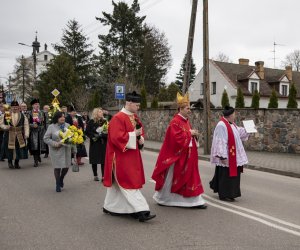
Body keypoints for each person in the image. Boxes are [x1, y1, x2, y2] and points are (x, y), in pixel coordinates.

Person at [103, 91, 156, 222]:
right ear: (129, 103)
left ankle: (110, 207)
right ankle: (142, 210)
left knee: (119, 187)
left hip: (132, 155)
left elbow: (139, 131)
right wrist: (133, 135)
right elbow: (116, 138)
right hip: (121, 157)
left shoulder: (134, 117)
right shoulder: (118, 118)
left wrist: (140, 138)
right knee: (128, 184)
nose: (138, 107)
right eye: (137, 105)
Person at [151, 92, 207, 209]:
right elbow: (176, 139)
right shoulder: (175, 121)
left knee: (191, 177)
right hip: (178, 156)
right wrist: (189, 133)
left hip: (188, 155)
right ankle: (168, 199)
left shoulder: (186, 121)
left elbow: (186, 135)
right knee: (176, 178)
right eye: (187, 108)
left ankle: (194, 200)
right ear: (180, 109)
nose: (190, 110)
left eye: (189, 108)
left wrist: (193, 134)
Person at [209, 106, 249, 201]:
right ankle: (224, 194)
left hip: (233, 156)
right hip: (227, 156)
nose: (235, 115)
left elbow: (240, 132)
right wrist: (222, 156)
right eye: (234, 113)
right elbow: (220, 140)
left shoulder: (232, 124)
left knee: (233, 176)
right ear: (230, 115)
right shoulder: (221, 125)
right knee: (225, 176)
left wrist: (249, 129)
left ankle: (232, 193)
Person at [44, 111, 76, 192]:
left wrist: (74, 151)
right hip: (56, 150)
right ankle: (57, 184)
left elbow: (73, 138)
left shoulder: (68, 125)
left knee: (66, 167)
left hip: (66, 150)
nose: (63, 118)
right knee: (57, 167)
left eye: (63, 117)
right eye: (61, 117)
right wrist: (55, 144)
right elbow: (46, 138)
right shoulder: (51, 127)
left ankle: (61, 178)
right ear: (56, 118)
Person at [0, 100, 29, 169]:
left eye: (16, 107)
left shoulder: (22, 115)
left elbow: (26, 125)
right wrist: (5, 127)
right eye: (13, 107)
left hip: (19, 134)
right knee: (9, 149)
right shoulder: (6, 114)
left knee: (18, 149)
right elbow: (1, 124)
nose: (15, 108)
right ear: (11, 107)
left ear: (18, 107)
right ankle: (10, 162)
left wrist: (27, 134)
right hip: (9, 134)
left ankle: (16, 163)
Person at [85, 108, 108, 181]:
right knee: (94, 160)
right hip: (94, 143)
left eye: (102, 112)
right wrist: (94, 136)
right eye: (100, 112)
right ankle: (95, 175)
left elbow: (108, 131)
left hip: (103, 143)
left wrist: (102, 135)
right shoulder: (91, 122)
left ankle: (103, 176)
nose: (102, 113)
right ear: (96, 113)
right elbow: (87, 132)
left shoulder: (105, 121)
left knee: (103, 160)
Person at [28, 99, 47, 167]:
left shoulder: (42, 112)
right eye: (36, 104)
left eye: (38, 104)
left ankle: (38, 156)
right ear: (33, 105)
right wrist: (32, 125)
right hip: (34, 132)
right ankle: (35, 160)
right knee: (35, 146)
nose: (37, 105)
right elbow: (27, 123)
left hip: (41, 131)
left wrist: (45, 129)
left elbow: (45, 122)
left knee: (40, 145)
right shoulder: (30, 113)